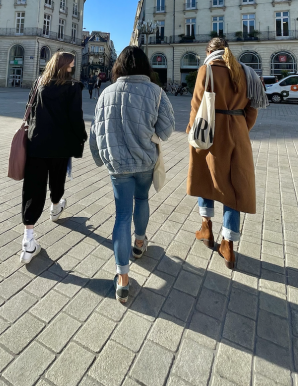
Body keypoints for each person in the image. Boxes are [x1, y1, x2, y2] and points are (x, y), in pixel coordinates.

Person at [90, 46, 175, 303]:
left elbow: (96, 129)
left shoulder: (106, 92)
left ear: (119, 67)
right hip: (146, 161)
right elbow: (168, 127)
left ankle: (123, 278)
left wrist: (100, 157)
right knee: (143, 200)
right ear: (144, 66)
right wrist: (151, 139)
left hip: (118, 165)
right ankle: (140, 243)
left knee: (121, 215)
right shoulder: (156, 92)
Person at [186, 37, 267, 269]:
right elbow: (253, 110)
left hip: (210, 132)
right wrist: (240, 128)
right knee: (235, 186)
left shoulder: (207, 70)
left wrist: (192, 132)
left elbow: (197, 106)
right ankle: (228, 245)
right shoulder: (246, 72)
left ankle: (206, 228)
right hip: (238, 132)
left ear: (209, 51)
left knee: (206, 178)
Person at [20, 51, 87, 264]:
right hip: (60, 145)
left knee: (33, 188)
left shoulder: (39, 83)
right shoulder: (72, 87)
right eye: (71, 66)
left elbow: (28, 111)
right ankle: (56, 206)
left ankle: (28, 240)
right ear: (65, 66)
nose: (72, 69)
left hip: (36, 143)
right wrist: (82, 135)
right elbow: (75, 117)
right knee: (57, 179)